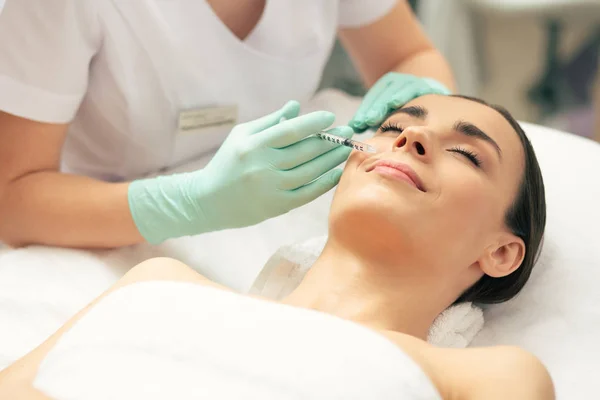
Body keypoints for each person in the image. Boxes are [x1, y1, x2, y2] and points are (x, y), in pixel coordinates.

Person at [0, 95, 553, 399]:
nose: (412, 138)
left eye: (467, 154)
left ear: (502, 252)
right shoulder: (157, 283)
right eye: (392, 127)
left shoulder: (491, 378)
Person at [0, 0, 455, 249]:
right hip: (94, 228)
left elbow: (408, 54)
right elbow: (11, 198)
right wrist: (188, 203)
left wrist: (424, 98)